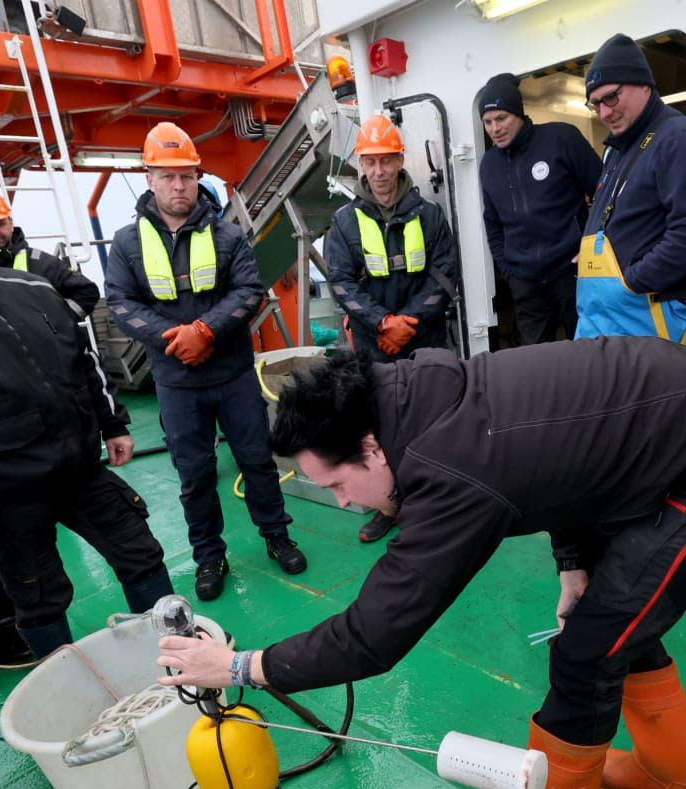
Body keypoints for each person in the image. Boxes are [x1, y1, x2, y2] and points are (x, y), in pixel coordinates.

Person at [157, 340, 686, 789]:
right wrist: (574, 564)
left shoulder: (447, 469)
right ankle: (670, 772)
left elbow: (374, 635)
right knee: (618, 624)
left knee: (589, 654)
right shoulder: (410, 396)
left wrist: (241, 667)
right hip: (653, 441)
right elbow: (562, 456)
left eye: (337, 484)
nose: (340, 503)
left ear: (371, 450)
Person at [0, 181, 174, 659]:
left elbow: (84, 360)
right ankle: (65, 686)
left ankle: (176, 655)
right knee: (37, 596)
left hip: (80, 471)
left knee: (141, 553)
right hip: (1, 492)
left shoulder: (35, 290)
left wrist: (112, 423)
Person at [104, 122, 307, 602]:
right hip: (176, 383)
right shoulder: (127, 243)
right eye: (169, 176)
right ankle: (208, 556)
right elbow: (119, 302)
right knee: (194, 476)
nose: (180, 186)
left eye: (188, 176)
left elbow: (249, 291)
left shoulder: (228, 236)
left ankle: (277, 535)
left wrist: (206, 330)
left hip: (232, 374)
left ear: (197, 178)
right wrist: (171, 337)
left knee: (257, 460)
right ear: (149, 177)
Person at [325, 113, 459, 544]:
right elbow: (341, 283)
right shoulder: (344, 223)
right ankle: (389, 506)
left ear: (400, 160)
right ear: (359, 165)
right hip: (374, 343)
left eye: (387, 160)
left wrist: (409, 323)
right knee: (380, 429)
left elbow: (444, 276)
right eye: (370, 162)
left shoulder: (431, 216)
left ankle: (438, 504)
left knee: (432, 421)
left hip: (424, 341)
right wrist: (382, 322)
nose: (379, 172)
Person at [576, 33, 686, 342]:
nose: (604, 112)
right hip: (605, 317)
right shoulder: (616, 149)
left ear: (643, 84)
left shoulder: (675, 136)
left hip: (645, 316)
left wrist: (630, 281)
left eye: (611, 97)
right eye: (595, 104)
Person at [478, 73, 602, 345]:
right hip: (525, 283)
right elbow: (493, 225)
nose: (494, 128)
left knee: (588, 351)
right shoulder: (488, 165)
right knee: (536, 365)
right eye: (487, 122)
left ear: (518, 114)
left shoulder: (561, 138)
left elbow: (605, 196)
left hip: (572, 272)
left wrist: (591, 247)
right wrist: (510, 272)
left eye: (501, 118)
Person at [0, 185, 99, 321]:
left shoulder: (43, 263)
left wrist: (58, 324)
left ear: (11, 223)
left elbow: (87, 292)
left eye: (0, 224)